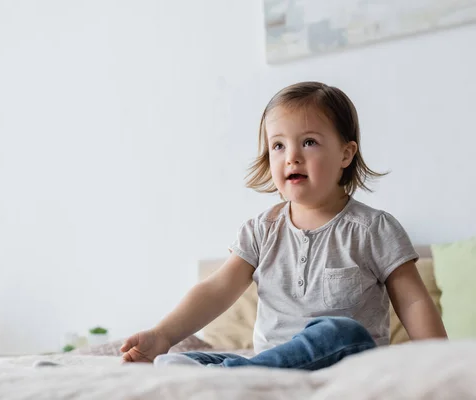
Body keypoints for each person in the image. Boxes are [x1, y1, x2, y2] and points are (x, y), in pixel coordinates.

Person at [121, 81, 447, 369]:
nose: (291, 156)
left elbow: (414, 301)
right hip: (271, 366)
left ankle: (232, 376)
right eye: (278, 145)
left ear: (345, 154)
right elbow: (216, 290)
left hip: (345, 367)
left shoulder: (373, 229)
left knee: (342, 330)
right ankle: (230, 373)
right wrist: (162, 334)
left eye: (309, 142)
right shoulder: (261, 231)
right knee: (193, 359)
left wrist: (440, 363)